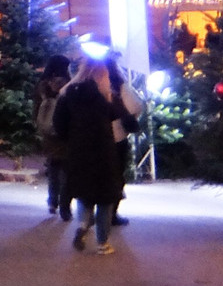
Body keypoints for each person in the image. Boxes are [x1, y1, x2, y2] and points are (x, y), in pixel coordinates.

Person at [52, 57, 122, 255]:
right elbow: (117, 114)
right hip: (104, 151)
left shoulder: (67, 94)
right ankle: (103, 243)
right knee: (105, 198)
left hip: (78, 149)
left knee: (84, 192)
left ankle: (83, 225)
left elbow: (59, 124)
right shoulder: (104, 95)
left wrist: (71, 137)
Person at [106, 56, 144, 226]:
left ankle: (90, 214)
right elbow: (136, 106)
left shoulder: (84, 85)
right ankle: (111, 213)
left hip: (90, 139)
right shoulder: (119, 86)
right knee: (115, 175)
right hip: (117, 138)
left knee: (94, 174)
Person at [33, 54, 71, 221]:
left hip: (47, 132)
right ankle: (65, 206)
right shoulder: (68, 84)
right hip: (64, 131)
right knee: (66, 170)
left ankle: (52, 201)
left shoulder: (42, 85)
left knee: (53, 167)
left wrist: (40, 124)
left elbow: (35, 108)